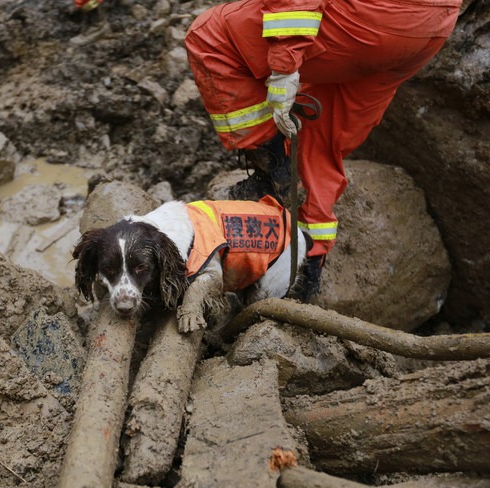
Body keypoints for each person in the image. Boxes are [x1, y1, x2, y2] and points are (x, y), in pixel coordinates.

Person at [184, 0, 462, 300]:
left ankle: (272, 174)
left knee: (211, 35)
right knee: (319, 134)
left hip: (375, 18)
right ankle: (308, 270)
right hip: (432, 25)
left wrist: (284, 61)